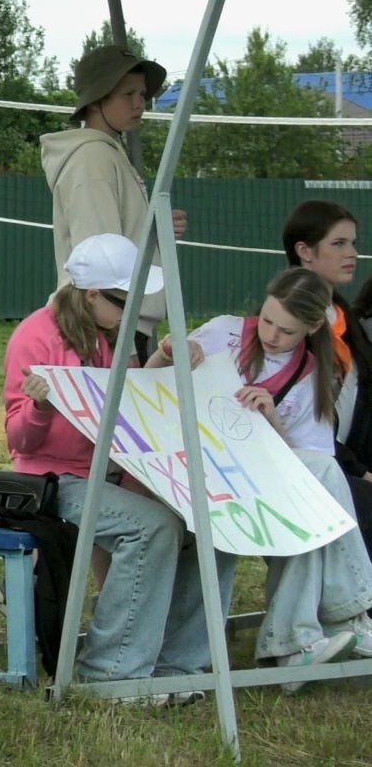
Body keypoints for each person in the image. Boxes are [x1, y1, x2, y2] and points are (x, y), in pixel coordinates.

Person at [7, 233, 234, 695]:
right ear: (92, 295)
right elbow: (20, 441)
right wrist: (41, 407)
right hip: (52, 480)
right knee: (152, 528)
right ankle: (110, 672)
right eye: (124, 301)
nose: (133, 309)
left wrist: (163, 356)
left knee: (210, 522)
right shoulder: (35, 335)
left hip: (111, 470)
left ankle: (179, 663)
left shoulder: (112, 332)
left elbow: (126, 400)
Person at [188, 268, 372, 683]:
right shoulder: (223, 332)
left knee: (319, 484)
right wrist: (171, 352)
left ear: (312, 327)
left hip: (263, 481)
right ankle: (342, 618)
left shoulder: (313, 373)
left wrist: (271, 421)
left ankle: (301, 641)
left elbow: (306, 456)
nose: (271, 335)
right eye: (267, 320)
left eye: (286, 331)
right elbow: (154, 377)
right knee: (318, 487)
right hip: (204, 472)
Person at [40, 45, 183, 362]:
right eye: (127, 94)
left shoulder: (107, 153)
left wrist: (153, 229)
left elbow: (118, 241)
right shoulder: (91, 160)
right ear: (96, 100)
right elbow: (98, 258)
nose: (139, 103)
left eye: (142, 94)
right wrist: (123, 348)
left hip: (119, 324)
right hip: (107, 330)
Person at [283, 200, 372, 557]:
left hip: (346, 462)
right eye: (339, 243)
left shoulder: (343, 317)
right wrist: (360, 472)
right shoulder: (286, 320)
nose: (352, 253)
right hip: (305, 467)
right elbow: (297, 418)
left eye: (353, 243)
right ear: (305, 251)